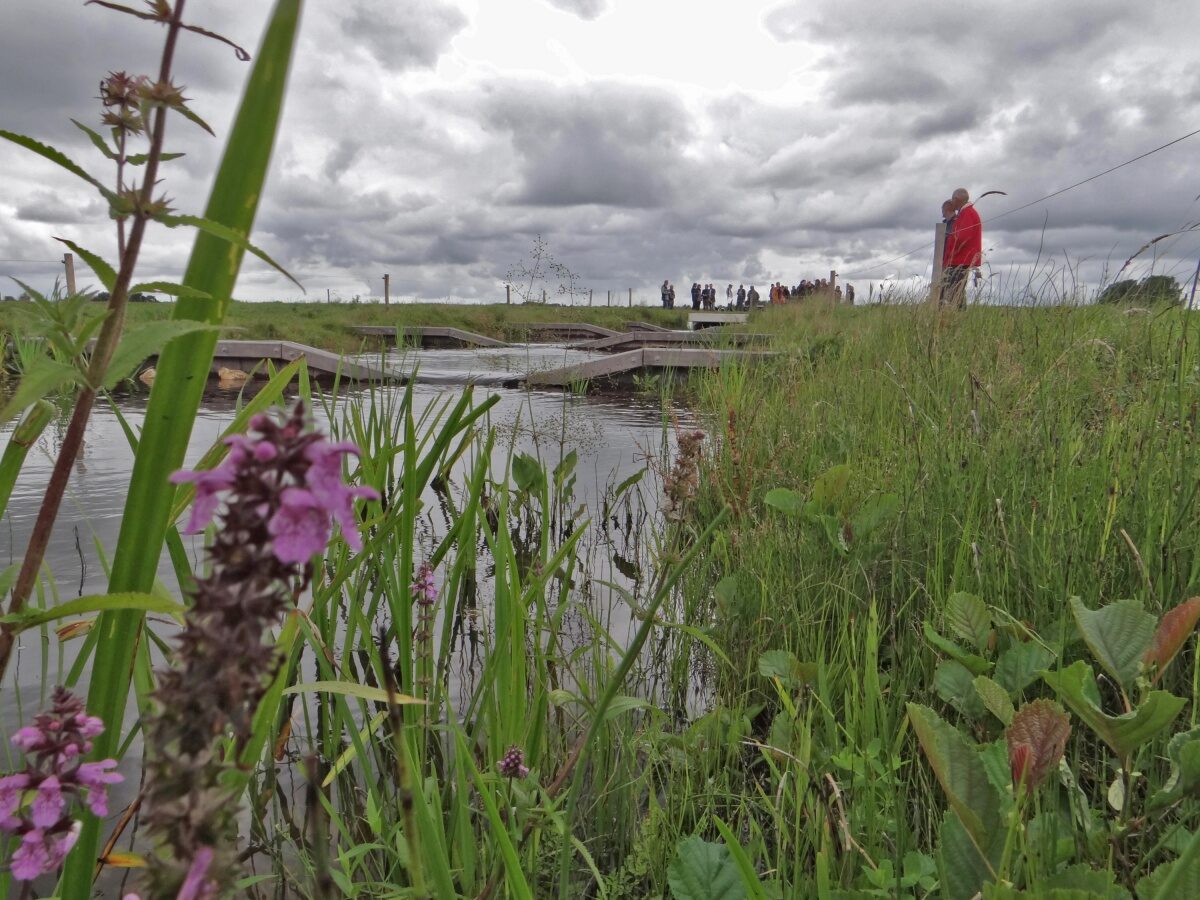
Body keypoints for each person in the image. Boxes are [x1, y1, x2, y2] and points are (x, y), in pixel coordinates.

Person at [942, 188, 982, 309]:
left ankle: (958, 316)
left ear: (956, 199)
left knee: (954, 292)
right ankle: (958, 316)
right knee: (956, 292)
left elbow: (961, 237)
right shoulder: (966, 213)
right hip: (960, 260)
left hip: (959, 260)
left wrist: (949, 255)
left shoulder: (967, 213)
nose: (952, 203)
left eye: (953, 200)